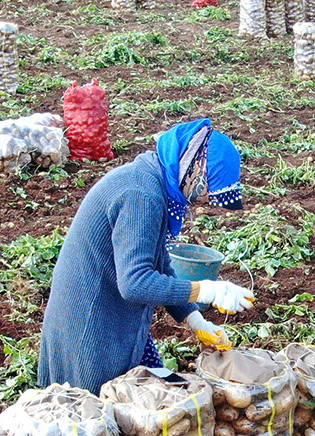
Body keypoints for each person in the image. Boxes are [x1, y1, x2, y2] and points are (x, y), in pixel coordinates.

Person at [38, 118, 254, 393]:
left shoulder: (153, 182)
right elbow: (135, 283)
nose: (200, 200)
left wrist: (194, 319)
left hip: (114, 318)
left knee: (156, 392)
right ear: (192, 168)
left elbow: (158, 264)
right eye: (205, 189)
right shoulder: (141, 196)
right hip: (90, 326)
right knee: (95, 416)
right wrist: (206, 290)